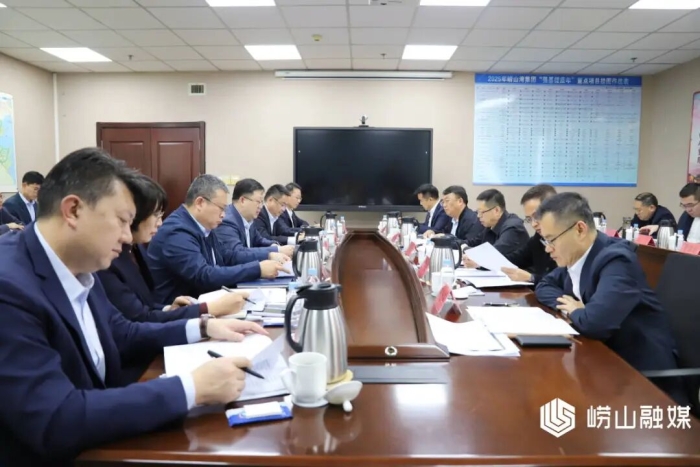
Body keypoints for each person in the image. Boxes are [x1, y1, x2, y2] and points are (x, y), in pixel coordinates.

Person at [0, 148, 269, 466]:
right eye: (122, 221)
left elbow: (121, 331)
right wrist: (191, 388)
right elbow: (55, 418)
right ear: (73, 210)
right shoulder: (9, 286)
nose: (128, 236)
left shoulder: (80, 263)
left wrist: (203, 326)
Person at [534, 192, 686, 405]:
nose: (547, 248)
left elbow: (595, 323)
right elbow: (543, 286)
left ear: (579, 229)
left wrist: (576, 310)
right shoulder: (576, 258)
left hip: (642, 379)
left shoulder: (617, 259)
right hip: (605, 363)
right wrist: (573, 307)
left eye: (551, 240)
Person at [97, 174, 250, 323]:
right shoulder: (110, 259)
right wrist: (208, 310)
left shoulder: (136, 248)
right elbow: (136, 321)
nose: (160, 223)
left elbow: (146, 306)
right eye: (156, 215)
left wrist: (168, 309)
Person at [147, 175, 286, 305]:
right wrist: (257, 269)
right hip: (179, 311)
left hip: (206, 301)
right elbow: (204, 276)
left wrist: (266, 257)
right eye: (221, 208)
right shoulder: (177, 232)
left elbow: (228, 256)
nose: (224, 215)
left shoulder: (203, 226)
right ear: (200, 203)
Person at [464, 184, 557, 285]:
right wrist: (481, 262)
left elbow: (560, 283)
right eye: (529, 219)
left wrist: (532, 278)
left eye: (537, 216)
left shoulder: (513, 226)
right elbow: (514, 259)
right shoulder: (538, 238)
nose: (533, 224)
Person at [218, 178, 294, 263]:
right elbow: (237, 253)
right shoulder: (227, 221)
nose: (261, 207)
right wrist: (274, 252)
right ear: (243, 200)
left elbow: (259, 240)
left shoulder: (249, 219)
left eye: (261, 202)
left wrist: (275, 246)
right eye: (258, 202)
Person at [464, 189, 529, 255]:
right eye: (478, 212)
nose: (478, 216)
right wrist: (460, 245)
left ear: (496, 210)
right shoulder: (491, 225)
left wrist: (472, 255)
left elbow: (494, 253)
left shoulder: (513, 228)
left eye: (481, 212)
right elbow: (474, 242)